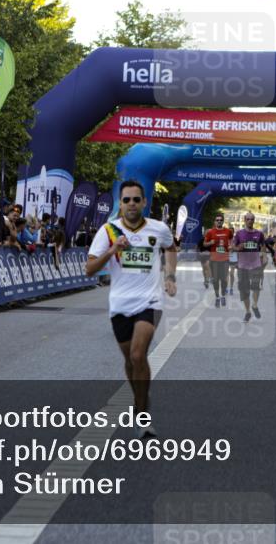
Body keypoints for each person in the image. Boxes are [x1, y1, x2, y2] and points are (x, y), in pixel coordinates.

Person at [85, 181, 177, 439]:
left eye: (136, 199)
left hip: (150, 301)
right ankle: (140, 398)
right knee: (130, 361)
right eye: (127, 200)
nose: (132, 204)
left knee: (138, 355)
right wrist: (113, 250)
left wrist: (170, 276)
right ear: (121, 203)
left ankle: (142, 413)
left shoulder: (158, 229)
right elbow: (90, 269)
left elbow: (170, 248)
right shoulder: (108, 231)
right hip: (120, 304)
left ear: (145, 202)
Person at [233, 212, 266, 322]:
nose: (250, 221)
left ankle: (255, 305)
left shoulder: (259, 233)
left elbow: (263, 246)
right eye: (248, 219)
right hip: (242, 265)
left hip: (256, 264)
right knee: (244, 290)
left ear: (254, 220)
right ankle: (247, 312)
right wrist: (238, 248)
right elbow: (232, 247)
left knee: (256, 286)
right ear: (244, 220)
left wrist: (263, 256)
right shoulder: (239, 234)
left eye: (252, 219)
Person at [202, 214, 233, 308]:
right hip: (214, 259)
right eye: (217, 220)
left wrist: (231, 246)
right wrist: (210, 243)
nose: (219, 221)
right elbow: (204, 244)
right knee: (215, 280)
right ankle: (217, 297)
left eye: (220, 220)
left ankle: (223, 295)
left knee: (223, 279)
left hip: (225, 259)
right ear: (215, 221)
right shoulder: (210, 232)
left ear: (223, 221)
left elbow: (232, 240)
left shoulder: (228, 231)